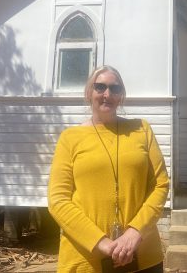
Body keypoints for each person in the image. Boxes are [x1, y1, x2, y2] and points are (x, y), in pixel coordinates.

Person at [48, 65, 170, 272]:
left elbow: (160, 185)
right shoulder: (70, 138)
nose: (107, 94)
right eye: (100, 87)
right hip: (86, 261)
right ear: (89, 93)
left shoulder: (141, 129)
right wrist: (102, 243)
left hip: (143, 256)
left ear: (121, 95)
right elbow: (58, 200)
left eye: (115, 88)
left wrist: (134, 233)